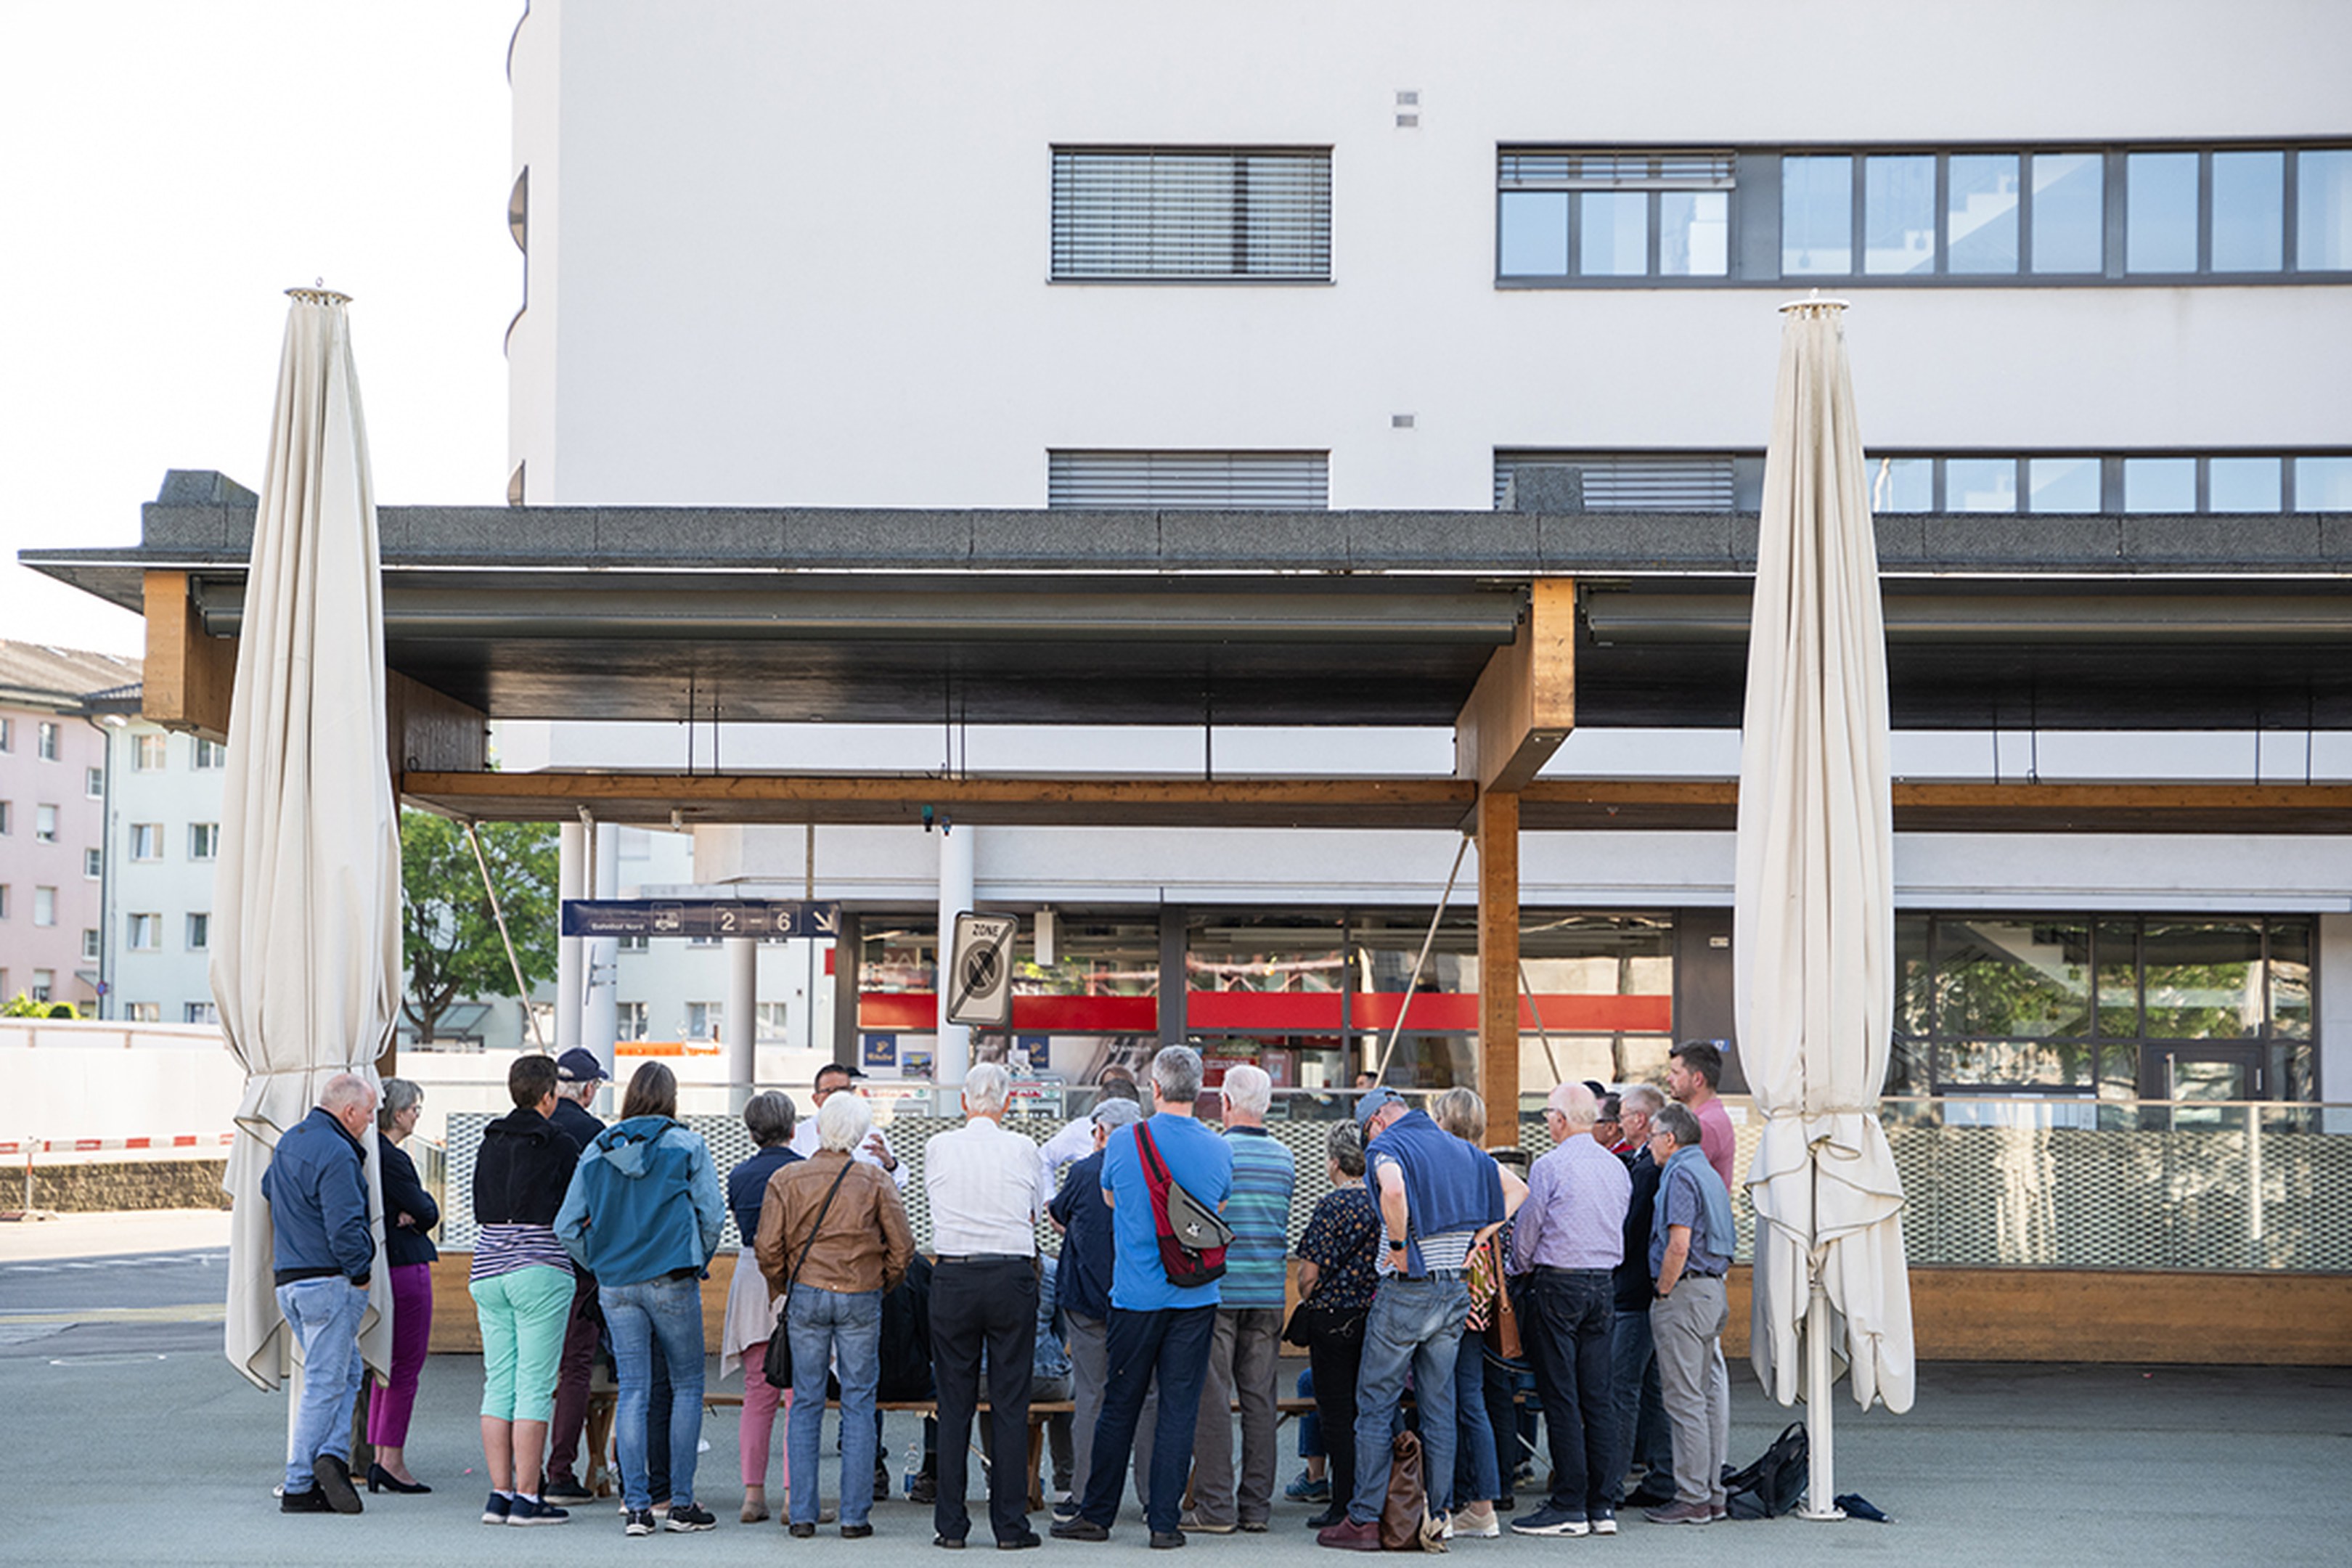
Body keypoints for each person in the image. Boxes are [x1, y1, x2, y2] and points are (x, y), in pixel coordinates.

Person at [1317, 1087, 1524, 1552]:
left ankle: (1365, 1519)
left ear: (1376, 1122)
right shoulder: (1461, 1149)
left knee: (1375, 1403)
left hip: (1407, 1291)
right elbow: (1518, 1190)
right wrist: (1479, 1239)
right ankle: (1439, 1516)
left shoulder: (1388, 1146)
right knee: (1439, 1407)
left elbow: (1392, 1189)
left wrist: (1397, 1246)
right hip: (1453, 1291)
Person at [1052, 1044, 1234, 1550]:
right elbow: (1215, 1212)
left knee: (1120, 1404)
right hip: (1196, 1297)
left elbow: (1110, 1199)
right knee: (1178, 1407)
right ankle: (1164, 1523)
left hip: (1136, 1297)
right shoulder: (1220, 1149)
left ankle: (1096, 1515)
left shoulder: (1125, 1142)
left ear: (1154, 1089)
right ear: (1200, 1091)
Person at [555, 1061, 726, 1536]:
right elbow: (712, 1216)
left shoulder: (597, 1148)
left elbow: (566, 1226)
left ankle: (636, 1508)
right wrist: (696, 1258)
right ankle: (681, 1504)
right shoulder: (687, 1144)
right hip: (672, 1276)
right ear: (671, 1098)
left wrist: (601, 1263)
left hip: (616, 1283)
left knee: (633, 1389)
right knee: (687, 1385)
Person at [757, 1088, 915, 1540]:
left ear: (819, 1128)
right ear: (860, 1134)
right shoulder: (875, 1179)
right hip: (861, 1293)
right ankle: (854, 1516)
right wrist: (880, 1282)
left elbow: (767, 1247)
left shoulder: (788, 1178)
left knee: (806, 1402)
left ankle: (802, 1514)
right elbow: (903, 1248)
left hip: (807, 1292)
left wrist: (787, 1283)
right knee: (859, 1403)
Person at [923, 1061, 1048, 1550]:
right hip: (1010, 1275)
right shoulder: (1024, 1147)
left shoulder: (938, 1146)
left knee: (953, 1403)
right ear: (1008, 1103)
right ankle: (1011, 1528)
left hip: (953, 1275)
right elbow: (1034, 1214)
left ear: (963, 1102)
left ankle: (951, 1527)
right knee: (1010, 1403)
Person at [1505, 1083, 1631, 1538]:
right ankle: (1602, 1504)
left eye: (1547, 1115)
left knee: (1561, 1397)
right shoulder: (1616, 1166)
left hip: (1558, 1283)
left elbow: (1527, 1234)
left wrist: (1515, 1270)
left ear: (1560, 1118)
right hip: (1603, 1284)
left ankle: (1569, 1504)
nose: (1547, 1122)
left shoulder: (1550, 1165)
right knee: (1598, 1397)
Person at [470, 1053, 584, 1526]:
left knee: (499, 1382)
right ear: (549, 1096)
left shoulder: (489, 1140)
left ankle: (499, 1495)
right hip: (540, 1267)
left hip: (487, 1266)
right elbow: (577, 1208)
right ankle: (528, 1497)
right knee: (535, 1385)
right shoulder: (560, 1142)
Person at [1183, 1063, 1294, 1535]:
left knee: (1212, 1399)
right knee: (1260, 1400)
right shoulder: (1286, 1158)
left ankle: (1215, 1507)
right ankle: (1255, 1508)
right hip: (1268, 1291)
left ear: (1225, 1102)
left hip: (1220, 1290)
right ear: (1267, 1105)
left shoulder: (1215, 1151)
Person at [262, 1071, 378, 1516]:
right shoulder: (337, 1151)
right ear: (349, 1112)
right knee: (326, 1383)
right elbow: (345, 1225)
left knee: (346, 1373)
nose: (371, 1121)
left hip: (290, 1279)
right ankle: (299, 1483)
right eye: (368, 1112)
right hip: (328, 1280)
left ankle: (330, 1457)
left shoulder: (290, 1141)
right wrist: (361, 1272)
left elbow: (267, 1188)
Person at [1047, 1094, 1143, 1524]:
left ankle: (1084, 1494)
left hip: (1087, 1298)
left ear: (1101, 1132)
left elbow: (1059, 1213)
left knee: (1091, 1395)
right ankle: (1152, 1498)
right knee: (1148, 1396)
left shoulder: (1085, 1170)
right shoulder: (1151, 1168)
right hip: (1139, 1298)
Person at [1643, 1103, 1734, 1526]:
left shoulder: (1679, 1174)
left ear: (1670, 1139)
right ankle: (1713, 1494)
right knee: (1707, 1398)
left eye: (1652, 1136)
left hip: (1685, 1293)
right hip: (1713, 1291)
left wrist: (1663, 1290)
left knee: (1684, 1401)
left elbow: (1678, 1243)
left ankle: (1692, 1497)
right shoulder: (1709, 1173)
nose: (1649, 1144)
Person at [1291, 1121, 1379, 1532]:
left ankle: (1342, 1502)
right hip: (1376, 1317)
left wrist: (1311, 1295)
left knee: (1337, 1413)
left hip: (1332, 1320)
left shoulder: (1330, 1206)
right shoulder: (1383, 1200)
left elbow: (1308, 1274)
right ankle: (1373, 1496)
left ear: (1335, 1163)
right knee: (1372, 1409)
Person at [722, 1091, 801, 1523]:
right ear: (793, 1128)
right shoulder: (803, 1171)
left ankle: (753, 1495)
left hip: (751, 1277)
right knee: (797, 1394)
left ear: (751, 1133)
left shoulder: (739, 1175)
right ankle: (794, 1497)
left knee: (758, 1391)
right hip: (795, 1277)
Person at [1429, 1087, 1505, 1538]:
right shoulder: (1486, 1164)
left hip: (1448, 1286)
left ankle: (1470, 1503)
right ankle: (1479, 1503)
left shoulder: (1447, 1162)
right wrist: (1484, 1233)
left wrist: (1473, 1238)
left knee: (1450, 1398)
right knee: (1469, 1396)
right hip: (1478, 1290)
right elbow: (1519, 1194)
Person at [541, 1047, 608, 1507]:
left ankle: (519, 1471)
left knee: (526, 1369)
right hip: (578, 1266)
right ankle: (560, 1469)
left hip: (522, 1259)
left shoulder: (522, 1127)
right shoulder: (594, 1134)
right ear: (587, 1089)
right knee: (575, 1367)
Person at [1604, 1085, 1674, 1511]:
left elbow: (1629, 1232)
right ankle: (1664, 1477)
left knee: (1622, 1389)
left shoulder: (1648, 1170)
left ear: (1641, 1120)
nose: (1618, 1121)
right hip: (1646, 1291)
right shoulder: (1645, 1163)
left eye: (1624, 1114)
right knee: (1652, 1390)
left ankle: (1610, 1485)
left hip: (1633, 1293)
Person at [367, 1077, 437, 1495]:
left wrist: (416, 1210)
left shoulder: (366, 1151)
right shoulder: (393, 1158)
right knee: (405, 1367)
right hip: (406, 1265)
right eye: (414, 1110)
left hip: (384, 1264)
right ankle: (391, 1460)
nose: (416, 1116)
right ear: (398, 1114)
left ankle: (380, 1456)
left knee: (384, 1366)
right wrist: (419, 1211)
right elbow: (427, 1210)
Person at [790, 1062, 908, 1188]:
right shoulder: (800, 1134)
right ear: (816, 1099)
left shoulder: (871, 1134)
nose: (839, 1096)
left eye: (844, 1090)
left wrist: (890, 1164)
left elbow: (897, 1183)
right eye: (830, 1091)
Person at [1035, 1068, 1142, 1193]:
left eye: (1122, 1088)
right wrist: (1049, 1197)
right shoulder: (1080, 1129)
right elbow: (1044, 1159)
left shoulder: (1145, 1132)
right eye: (1109, 1086)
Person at [1667, 1042, 1736, 1194]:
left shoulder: (1704, 1125)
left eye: (1676, 1073)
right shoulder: (1710, 1117)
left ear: (1698, 1079)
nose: (1668, 1079)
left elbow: (1682, 1183)